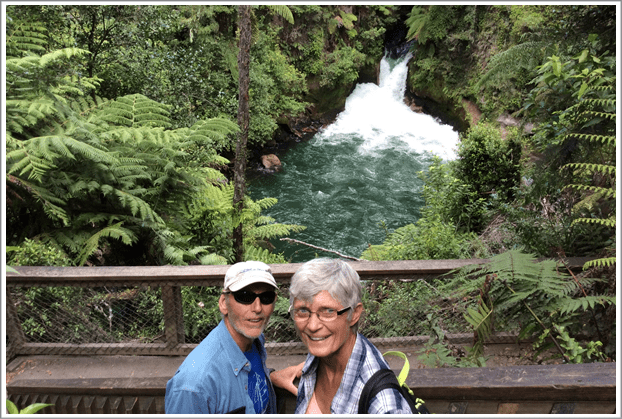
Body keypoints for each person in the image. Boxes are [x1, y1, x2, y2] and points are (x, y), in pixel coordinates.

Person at [271, 257, 413, 414]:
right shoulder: (320, 358)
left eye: (328, 311)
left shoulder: (384, 405)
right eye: (303, 310)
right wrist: (271, 376)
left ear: (354, 314)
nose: (312, 326)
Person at [165, 261, 279, 414]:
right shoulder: (193, 386)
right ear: (224, 303)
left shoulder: (254, 341)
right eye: (245, 297)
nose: (258, 308)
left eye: (266, 297)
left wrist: (271, 376)